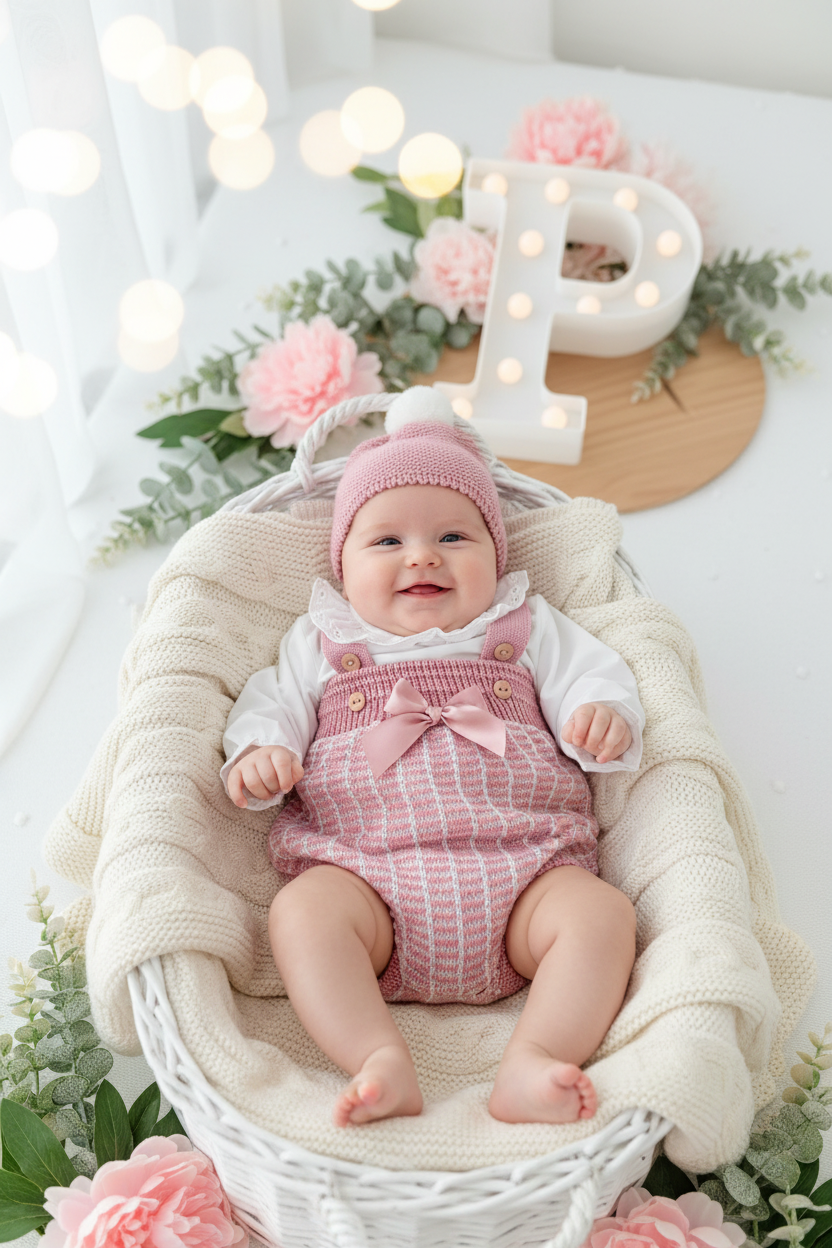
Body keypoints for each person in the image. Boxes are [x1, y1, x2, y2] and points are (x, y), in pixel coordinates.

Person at [222, 389, 643, 1130]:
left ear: (495, 553)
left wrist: (598, 715)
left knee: (603, 915)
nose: (421, 555)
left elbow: (596, 672)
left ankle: (534, 1055)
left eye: (454, 537)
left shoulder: (524, 623)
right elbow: (271, 702)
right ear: (343, 566)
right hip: (368, 885)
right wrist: (263, 751)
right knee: (300, 912)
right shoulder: (323, 640)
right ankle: (376, 1056)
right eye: (385, 542)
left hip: (527, 879)